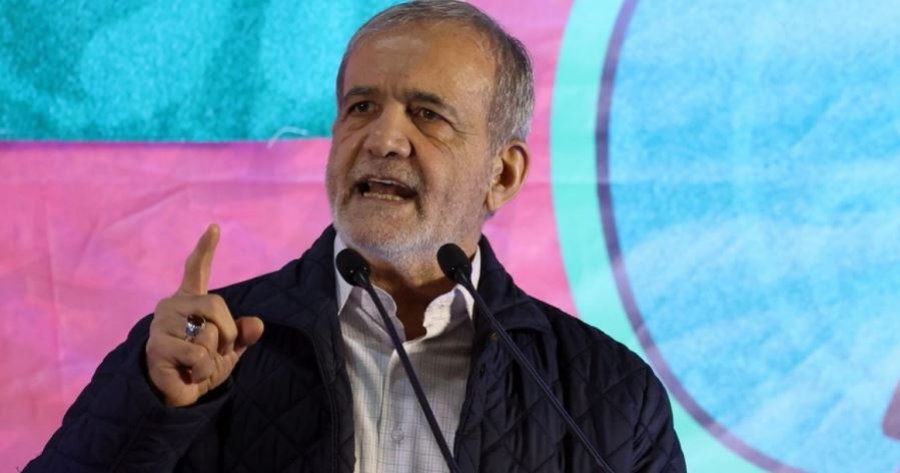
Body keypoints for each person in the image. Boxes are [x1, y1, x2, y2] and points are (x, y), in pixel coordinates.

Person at [25, 1, 686, 472]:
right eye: (361, 107)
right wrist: (154, 405)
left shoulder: (606, 394)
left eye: (427, 115)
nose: (383, 138)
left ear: (503, 174)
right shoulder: (196, 353)